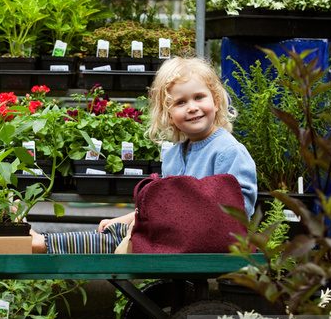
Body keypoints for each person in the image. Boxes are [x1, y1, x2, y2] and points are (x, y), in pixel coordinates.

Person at [30, 56, 257, 254]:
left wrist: (180, 218)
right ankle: (48, 242)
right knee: (119, 230)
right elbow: (163, 205)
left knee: (125, 240)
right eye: (180, 102)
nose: (192, 107)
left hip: (209, 241)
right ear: (168, 115)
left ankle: (45, 244)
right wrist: (124, 219)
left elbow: (241, 208)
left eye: (199, 97)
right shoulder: (175, 154)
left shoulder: (228, 151)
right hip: (180, 234)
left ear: (216, 102)